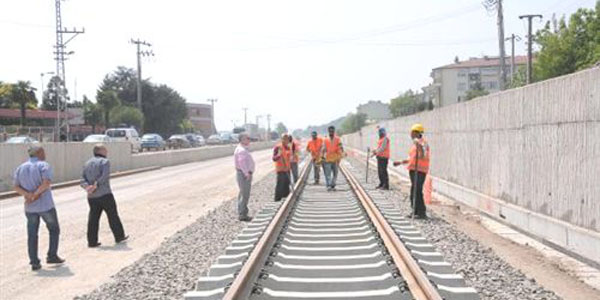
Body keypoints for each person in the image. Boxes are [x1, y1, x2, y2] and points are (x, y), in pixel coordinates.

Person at [13, 146, 64, 271]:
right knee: (54, 229)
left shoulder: (21, 167)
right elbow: (46, 183)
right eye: (44, 152)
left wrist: (28, 195)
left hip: (30, 207)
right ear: (39, 153)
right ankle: (52, 255)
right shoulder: (43, 165)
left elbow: (15, 186)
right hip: (45, 205)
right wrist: (35, 195)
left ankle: (34, 262)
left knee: (32, 234)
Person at [80, 144, 128, 247]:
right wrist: (95, 185)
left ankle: (92, 241)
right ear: (100, 151)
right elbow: (104, 176)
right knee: (112, 215)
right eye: (105, 150)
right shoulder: (105, 162)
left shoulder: (87, 163)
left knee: (93, 218)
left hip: (92, 196)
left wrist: (88, 187)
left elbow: (82, 179)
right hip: (105, 194)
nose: (107, 152)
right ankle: (119, 236)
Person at [394, 123, 430, 219]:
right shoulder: (415, 145)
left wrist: (418, 144)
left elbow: (422, 155)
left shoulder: (423, 143)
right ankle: (415, 211)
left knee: (417, 190)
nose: (411, 135)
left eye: (412, 133)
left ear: (416, 133)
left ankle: (421, 212)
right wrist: (400, 162)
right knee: (414, 190)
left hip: (420, 171)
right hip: (414, 170)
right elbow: (412, 158)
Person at [233, 133, 255, 222]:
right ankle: (242, 214)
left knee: (242, 193)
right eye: (247, 138)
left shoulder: (242, 149)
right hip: (243, 174)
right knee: (245, 194)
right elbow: (242, 163)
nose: (249, 140)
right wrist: (247, 173)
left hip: (243, 174)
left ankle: (242, 213)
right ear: (242, 140)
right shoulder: (241, 150)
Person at [322, 126, 343, 191]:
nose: (331, 132)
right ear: (328, 131)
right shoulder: (325, 140)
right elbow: (323, 149)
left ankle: (333, 184)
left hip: (335, 159)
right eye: (330, 131)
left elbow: (340, 147)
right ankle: (328, 185)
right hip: (327, 159)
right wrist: (322, 157)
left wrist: (340, 156)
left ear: (334, 131)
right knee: (327, 173)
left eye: (332, 131)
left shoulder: (338, 139)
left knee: (335, 173)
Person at [273, 133, 292, 201]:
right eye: (284, 138)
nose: (286, 140)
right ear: (282, 139)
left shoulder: (288, 147)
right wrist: (278, 155)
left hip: (287, 169)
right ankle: (277, 199)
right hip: (281, 170)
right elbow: (274, 158)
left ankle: (286, 199)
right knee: (280, 186)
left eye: (287, 139)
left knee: (286, 185)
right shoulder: (278, 147)